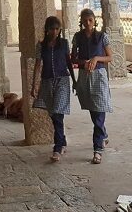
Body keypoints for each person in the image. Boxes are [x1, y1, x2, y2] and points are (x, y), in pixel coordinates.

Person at [30, 16, 76, 162]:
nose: (54, 32)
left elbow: (68, 62)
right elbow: (38, 66)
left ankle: (57, 147)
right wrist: (34, 85)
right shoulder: (41, 46)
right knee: (53, 114)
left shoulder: (64, 44)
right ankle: (62, 140)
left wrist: (74, 80)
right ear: (47, 30)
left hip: (62, 80)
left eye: (57, 29)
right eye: (52, 29)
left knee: (58, 111)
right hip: (47, 81)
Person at [71, 8, 113, 164]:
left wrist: (96, 58)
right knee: (93, 111)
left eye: (90, 20)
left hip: (99, 77)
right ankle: (104, 134)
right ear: (81, 21)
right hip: (85, 76)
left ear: (95, 20)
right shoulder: (77, 37)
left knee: (99, 110)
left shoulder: (102, 37)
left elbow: (110, 57)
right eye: (85, 20)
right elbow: (73, 58)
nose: (88, 23)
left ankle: (97, 149)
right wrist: (84, 62)